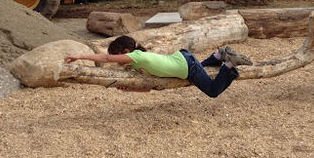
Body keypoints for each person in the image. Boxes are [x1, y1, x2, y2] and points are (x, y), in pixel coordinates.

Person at [63, 35, 252, 98]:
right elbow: (150, 88)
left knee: (212, 90)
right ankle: (218, 55)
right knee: (198, 71)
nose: (114, 58)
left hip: (187, 65)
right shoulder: (136, 64)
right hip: (184, 61)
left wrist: (79, 55)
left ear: (126, 51)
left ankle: (228, 64)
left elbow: (104, 58)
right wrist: (129, 89)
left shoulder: (135, 56)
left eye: (116, 54)